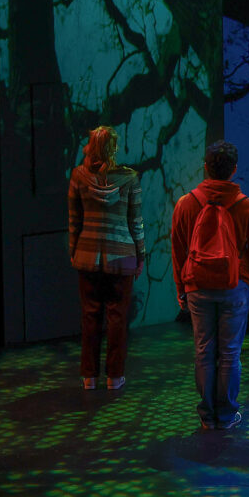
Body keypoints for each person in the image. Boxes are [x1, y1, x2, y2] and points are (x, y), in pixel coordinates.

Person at [172, 140, 249, 429]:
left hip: (197, 286)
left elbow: (178, 250)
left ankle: (207, 416)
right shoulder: (247, 206)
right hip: (235, 286)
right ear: (234, 170)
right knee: (230, 353)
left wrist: (181, 288)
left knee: (204, 351)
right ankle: (225, 416)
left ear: (205, 167)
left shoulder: (186, 204)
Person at [68, 126, 144, 390]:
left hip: (87, 255)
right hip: (122, 257)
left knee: (90, 317)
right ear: (113, 148)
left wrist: (74, 251)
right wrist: (141, 255)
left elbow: (74, 221)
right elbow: (136, 222)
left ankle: (89, 377)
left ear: (90, 146)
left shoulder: (78, 176)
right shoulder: (130, 178)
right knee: (117, 318)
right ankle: (115, 377)